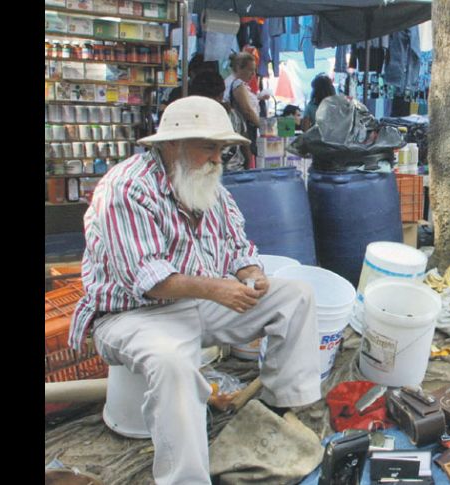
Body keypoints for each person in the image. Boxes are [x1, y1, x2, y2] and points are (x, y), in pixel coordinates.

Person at [68, 96, 322, 485]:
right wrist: (218, 289)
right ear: (173, 144)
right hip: (130, 315)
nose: (218, 158)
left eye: (221, 149)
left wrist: (252, 273)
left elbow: (237, 247)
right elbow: (147, 279)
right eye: (209, 147)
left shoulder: (209, 186)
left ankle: (283, 410)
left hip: (195, 302)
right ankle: (186, 478)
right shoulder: (125, 189)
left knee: (295, 296)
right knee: (172, 361)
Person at [190, 70, 249, 171]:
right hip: (236, 172)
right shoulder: (234, 115)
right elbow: (246, 146)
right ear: (221, 95)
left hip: (214, 173)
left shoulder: (194, 117)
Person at [228, 52, 269, 155]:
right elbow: (247, 111)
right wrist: (263, 127)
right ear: (239, 68)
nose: (253, 74)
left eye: (254, 70)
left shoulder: (242, 85)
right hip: (245, 130)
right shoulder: (238, 84)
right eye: (250, 70)